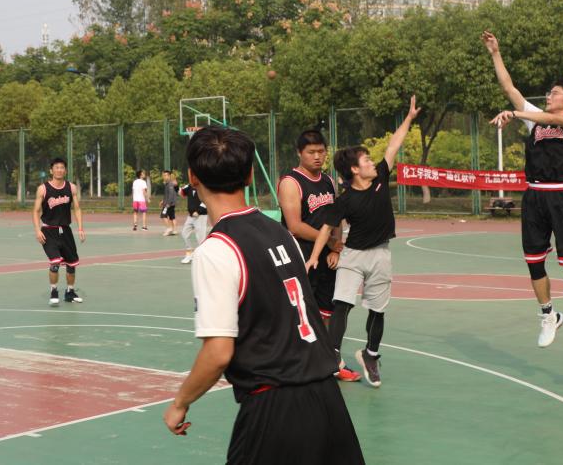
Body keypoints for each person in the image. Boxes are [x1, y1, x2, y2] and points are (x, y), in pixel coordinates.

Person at [163, 126, 364, 464]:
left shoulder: (216, 249)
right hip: (328, 400)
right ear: (250, 175)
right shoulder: (282, 234)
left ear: (192, 177)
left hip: (274, 407)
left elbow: (218, 352)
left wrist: (180, 403)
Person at [482, 30, 563, 355]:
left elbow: (545, 116)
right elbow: (509, 88)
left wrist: (516, 113)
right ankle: (549, 315)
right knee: (533, 260)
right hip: (534, 196)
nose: (549, 95)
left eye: (555, 93)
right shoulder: (536, 123)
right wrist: (495, 53)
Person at [312, 98, 420, 388]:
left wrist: (409, 118)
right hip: (353, 256)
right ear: (355, 170)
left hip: (380, 254)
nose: (373, 162)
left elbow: (393, 145)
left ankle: (370, 355)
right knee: (342, 304)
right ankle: (333, 355)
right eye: (367, 161)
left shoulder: (381, 177)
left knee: (377, 309)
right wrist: (314, 256)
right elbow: (326, 227)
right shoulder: (346, 200)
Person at [278, 129, 361, 383]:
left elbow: (336, 217)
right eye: (311, 152)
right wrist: (330, 242)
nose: (317, 156)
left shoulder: (328, 181)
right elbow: (295, 226)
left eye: (321, 151)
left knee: (329, 311)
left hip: (327, 257)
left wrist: (334, 247)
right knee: (301, 314)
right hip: (301, 256)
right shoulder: (291, 182)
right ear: (299, 153)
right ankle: (297, 362)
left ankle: (331, 361)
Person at [32, 157, 86, 306]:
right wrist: (37, 230)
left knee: (71, 264)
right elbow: (36, 211)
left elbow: (77, 209)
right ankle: (54, 292)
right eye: (56, 167)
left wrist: (80, 228)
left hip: (66, 230)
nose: (59, 170)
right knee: (55, 263)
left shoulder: (71, 188)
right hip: (48, 231)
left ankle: (70, 292)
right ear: (51, 170)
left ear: (65, 170)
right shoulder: (43, 189)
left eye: (62, 167)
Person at [178, 180, 208, 264]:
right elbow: (181, 193)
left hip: (201, 216)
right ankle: (189, 254)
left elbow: (206, 200)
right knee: (184, 233)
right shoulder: (189, 186)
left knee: (200, 238)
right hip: (190, 216)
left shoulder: (204, 187)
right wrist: (176, 186)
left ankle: (203, 258)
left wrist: (198, 211)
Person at [161, 170, 179, 236]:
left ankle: (169, 228)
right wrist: (163, 201)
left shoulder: (170, 184)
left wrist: (168, 203)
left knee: (163, 215)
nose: (164, 177)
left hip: (169, 204)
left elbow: (171, 194)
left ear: (169, 176)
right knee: (172, 217)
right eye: (163, 175)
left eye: (166, 175)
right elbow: (167, 194)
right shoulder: (168, 183)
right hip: (170, 203)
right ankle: (174, 230)